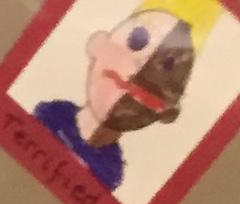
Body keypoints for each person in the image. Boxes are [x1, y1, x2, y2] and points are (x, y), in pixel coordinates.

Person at [34, 13, 197, 192]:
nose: (140, 69)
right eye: (137, 39)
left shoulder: (109, 174)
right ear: (98, 45)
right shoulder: (48, 115)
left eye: (166, 66)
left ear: (166, 111)